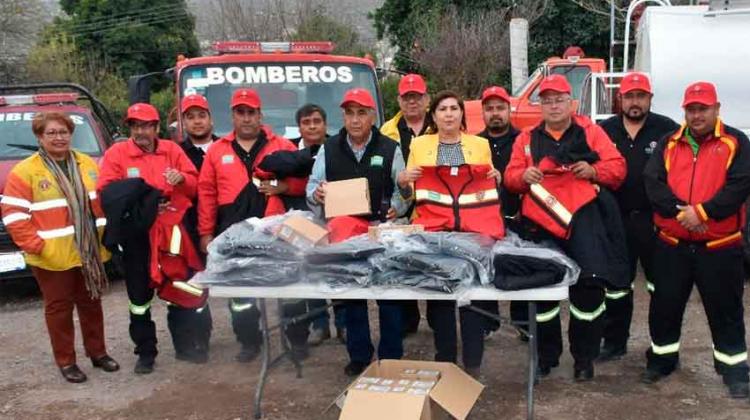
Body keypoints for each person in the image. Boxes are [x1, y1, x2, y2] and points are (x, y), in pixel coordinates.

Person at [504, 75, 627, 381]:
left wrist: (594, 170)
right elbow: (509, 177)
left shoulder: (591, 132)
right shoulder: (526, 139)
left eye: (559, 99)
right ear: (540, 106)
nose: (553, 105)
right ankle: (546, 357)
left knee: (587, 293)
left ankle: (584, 359)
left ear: (571, 103)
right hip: (540, 226)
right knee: (543, 294)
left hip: (586, 225)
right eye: (547, 100)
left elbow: (618, 168)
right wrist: (523, 177)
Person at [642, 81, 750, 399]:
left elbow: (739, 186)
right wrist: (684, 214)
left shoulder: (736, 142)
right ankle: (662, 361)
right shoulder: (669, 142)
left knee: (726, 311)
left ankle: (734, 371)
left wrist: (702, 213)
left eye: (703, 109)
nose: (697, 115)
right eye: (691, 109)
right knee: (664, 307)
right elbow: (653, 182)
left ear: (716, 109)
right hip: (672, 247)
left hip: (719, 247)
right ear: (685, 112)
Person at [1, 111, 119, 383]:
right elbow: (14, 216)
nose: (59, 137)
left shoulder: (87, 163)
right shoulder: (26, 171)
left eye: (63, 132)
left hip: (87, 252)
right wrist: (36, 245)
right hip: (52, 257)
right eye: (51, 133)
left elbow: (101, 202)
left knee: (92, 303)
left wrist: (107, 236)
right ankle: (66, 361)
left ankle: (98, 353)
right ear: (40, 137)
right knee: (59, 309)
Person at [398, 90, 503, 377]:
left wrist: (498, 178)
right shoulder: (419, 145)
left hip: (473, 234)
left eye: (454, 108)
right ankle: (445, 360)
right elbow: (410, 194)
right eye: (442, 109)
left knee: (472, 299)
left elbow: (489, 188)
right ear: (434, 116)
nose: (448, 114)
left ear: (461, 114)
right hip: (434, 233)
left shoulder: (480, 145)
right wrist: (404, 181)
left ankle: (473, 364)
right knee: (441, 298)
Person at [198, 88, 306, 363]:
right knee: (240, 292)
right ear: (233, 116)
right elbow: (207, 193)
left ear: (260, 115)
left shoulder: (282, 145)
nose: (246, 118)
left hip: (275, 225)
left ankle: (297, 340)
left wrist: (283, 186)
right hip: (233, 228)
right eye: (240, 112)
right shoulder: (216, 151)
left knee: (290, 285)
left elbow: (306, 183)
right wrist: (206, 233)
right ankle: (249, 340)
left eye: (251, 112)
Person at [306, 88, 409, 376]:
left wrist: (398, 207)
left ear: (373, 116)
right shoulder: (329, 148)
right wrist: (319, 194)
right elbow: (311, 188)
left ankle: (391, 354)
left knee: (388, 295)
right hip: (345, 233)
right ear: (343, 116)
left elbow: (404, 189)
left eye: (361, 113)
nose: (355, 120)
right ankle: (360, 355)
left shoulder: (390, 148)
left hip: (381, 230)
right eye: (349, 113)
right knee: (352, 295)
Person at [98, 103, 200, 374]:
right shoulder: (117, 154)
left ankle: (185, 345)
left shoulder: (173, 150)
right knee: (139, 298)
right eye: (135, 126)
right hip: (137, 236)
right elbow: (107, 193)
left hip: (171, 233)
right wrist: (146, 203)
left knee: (177, 288)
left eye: (146, 126)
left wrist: (181, 179)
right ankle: (145, 352)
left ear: (157, 128)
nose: (140, 131)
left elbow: (193, 185)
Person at [597, 73, 679, 362]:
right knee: (617, 286)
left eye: (640, 96)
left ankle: (663, 348)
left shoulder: (667, 130)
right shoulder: (604, 130)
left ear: (649, 99)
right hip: (615, 220)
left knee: (662, 287)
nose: (634, 102)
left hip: (655, 221)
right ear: (620, 99)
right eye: (629, 96)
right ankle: (614, 342)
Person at [286, 104, 346, 346]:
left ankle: (343, 325)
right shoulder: (287, 149)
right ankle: (319, 325)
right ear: (299, 126)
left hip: (335, 218)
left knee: (338, 273)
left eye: (317, 121)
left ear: (325, 124)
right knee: (311, 272)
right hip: (301, 219)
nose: (312, 126)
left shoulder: (339, 147)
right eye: (306, 122)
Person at [166, 94, 217, 364]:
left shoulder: (226, 147)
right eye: (190, 117)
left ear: (211, 118)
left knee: (236, 289)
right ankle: (191, 342)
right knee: (188, 287)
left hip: (221, 228)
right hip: (186, 230)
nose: (197, 122)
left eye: (201, 115)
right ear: (183, 122)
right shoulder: (176, 153)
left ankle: (249, 341)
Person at [381, 73, 430, 336]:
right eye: (407, 97)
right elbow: (382, 175)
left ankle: (436, 315)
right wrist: (391, 205)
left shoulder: (441, 124)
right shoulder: (386, 131)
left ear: (427, 99)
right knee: (402, 261)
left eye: (417, 96)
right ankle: (409, 318)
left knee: (433, 261)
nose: (412, 102)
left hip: (432, 204)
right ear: (399, 100)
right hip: (400, 205)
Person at [477, 85, 523, 338]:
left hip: (517, 217)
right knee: (485, 269)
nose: (495, 113)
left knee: (518, 269)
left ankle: (522, 322)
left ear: (509, 109)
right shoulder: (474, 143)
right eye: (490, 108)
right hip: (483, 220)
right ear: (483, 112)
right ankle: (487, 322)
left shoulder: (524, 140)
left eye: (500, 108)